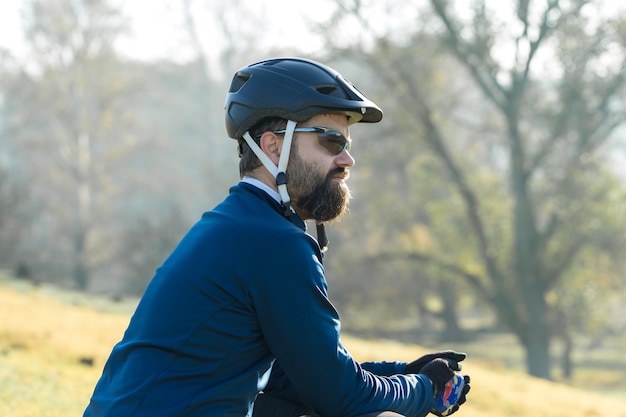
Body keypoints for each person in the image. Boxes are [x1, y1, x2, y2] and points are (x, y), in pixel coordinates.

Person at [83, 57, 471, 417]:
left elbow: (299, 373)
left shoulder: (238, 224)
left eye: (347, 144)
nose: (347, 159)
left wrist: (403, 371)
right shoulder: (274, 243)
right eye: (331, 141)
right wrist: (423, 390)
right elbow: (338, 394)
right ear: (273, 146)